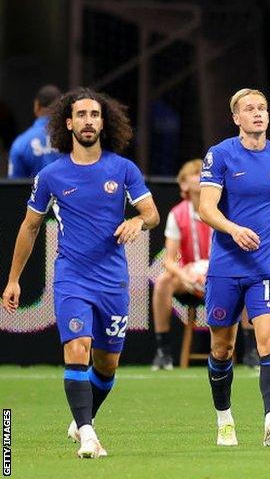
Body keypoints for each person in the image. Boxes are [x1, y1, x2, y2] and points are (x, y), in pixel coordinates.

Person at [2, 88, 159, 458]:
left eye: (95, 114)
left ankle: (81, 419)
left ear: (104, 123)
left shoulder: (123, 169)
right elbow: (29, 227)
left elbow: (152, 213)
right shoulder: (52, 175)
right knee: (77, 348)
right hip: (72, 277)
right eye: (81, 114)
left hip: (114, 282)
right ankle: (88, 434)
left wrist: (139, 222)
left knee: (106, 366)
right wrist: (13, 280)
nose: (88, 120)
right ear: (67, 123)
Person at [198, 88, 270, 447]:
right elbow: (206, 208)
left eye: (263, 108)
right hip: (226, 266)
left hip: (266, 267)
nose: (258, 113)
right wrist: (233, 229)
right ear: (236, 118)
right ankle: (224, 418)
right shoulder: (220, 155)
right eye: (249, 109)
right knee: (222, 349)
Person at [151, 159, 262, 370]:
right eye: (193, 174)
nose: (198, 177)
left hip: (221, 273)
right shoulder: (177, 214)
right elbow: (168, 260)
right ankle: (162, 352)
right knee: (163, 281)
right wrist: (185, 275)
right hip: (191, 279)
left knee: (247, 279)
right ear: (183, 184)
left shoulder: (223, 208)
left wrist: (218, 271)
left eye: (201, 173)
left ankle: (250, 351)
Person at [7, 84, 61, 178]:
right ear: (61, 107)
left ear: (36, 105)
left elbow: (14, 187)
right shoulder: (73, 139)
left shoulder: (21, 143)